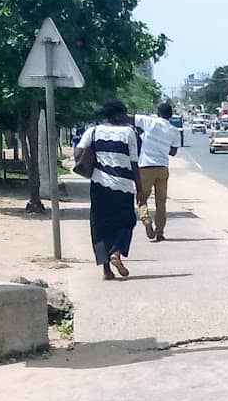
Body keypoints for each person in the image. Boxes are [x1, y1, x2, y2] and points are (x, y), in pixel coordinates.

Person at [74, 100, 140, 281]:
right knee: (126, 221)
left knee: (100, 226)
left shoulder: (93, 131)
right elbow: (134, 163)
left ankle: (106, 271)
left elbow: (78, 154)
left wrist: (94, 159)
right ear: (119, 114)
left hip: (99, 186)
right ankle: (116, 252)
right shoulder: (129, 133)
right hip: (123, 186)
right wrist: (140, 190)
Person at [133, 101, 183, 242]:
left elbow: (129, 118)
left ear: (158, 113)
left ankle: (146, 218)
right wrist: (162, 145)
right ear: (170, 115)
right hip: (162, 167)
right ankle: (160, 231)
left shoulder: (149, 122)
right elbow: (173, 152)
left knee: (142, 198)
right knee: (161, 202)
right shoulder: (174, 130)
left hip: (146, 167)